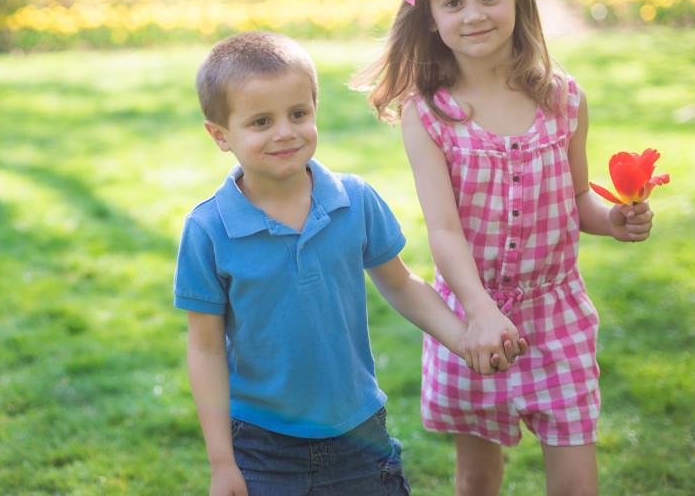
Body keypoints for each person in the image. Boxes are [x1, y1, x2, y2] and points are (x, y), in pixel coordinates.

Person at [350, 0, 656, 496]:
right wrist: (480, 310)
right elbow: (442, 229)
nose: (474, 15)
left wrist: (613, 220)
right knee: (478, 477)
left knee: (575, 482)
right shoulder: (430, 114)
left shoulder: (562, 98)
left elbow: (578, 197)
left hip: (557, 314)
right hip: (471, 316)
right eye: (454, 2)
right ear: (431, 16)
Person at [175, 31, 528, 496]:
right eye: (261, 122)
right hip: (262, 445)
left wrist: (463, 338)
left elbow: (400, 284)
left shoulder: (353, 200)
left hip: (360, 434)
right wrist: (222, 462)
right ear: (220, 135)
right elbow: (205, 349)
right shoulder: (208, 230)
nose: (285, 132)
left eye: (298, 114)